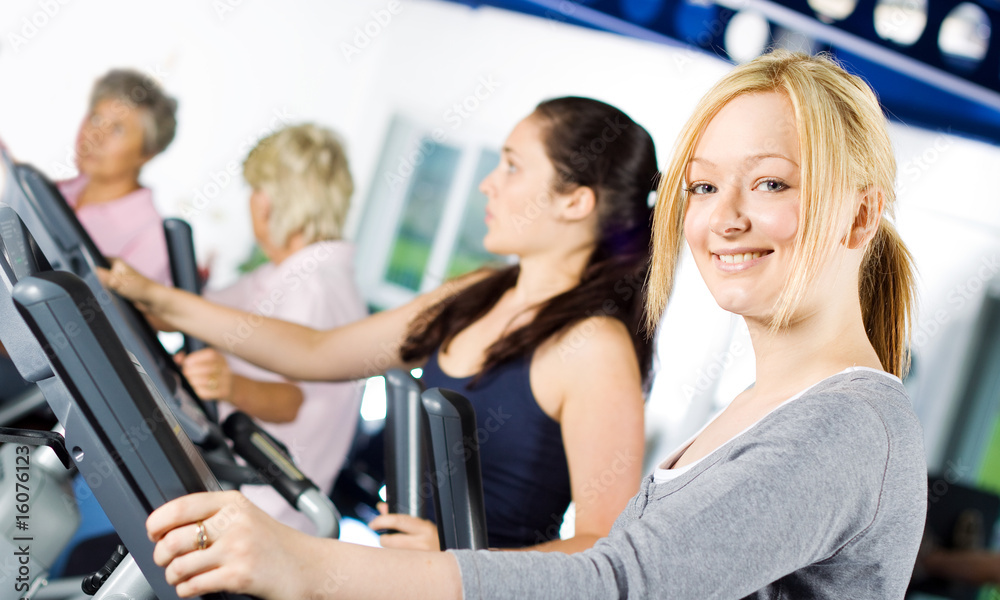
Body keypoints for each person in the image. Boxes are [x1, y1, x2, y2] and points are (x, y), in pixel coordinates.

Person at [135, 50, 929, 600]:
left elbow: (607, 585)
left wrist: (307, 565)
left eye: (771, 184)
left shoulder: (845, 427)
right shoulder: (769, 409)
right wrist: (163, 303)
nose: (725, 219)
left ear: (859, 214)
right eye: (705, 188)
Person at [105, 96, 655, 570]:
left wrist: (460, 562)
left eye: (511, 167)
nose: (488, 183)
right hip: (409, 595)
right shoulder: (478, 293)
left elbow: (605, 552)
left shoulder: (594, 347)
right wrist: (162, 302)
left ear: (575, 201)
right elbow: (313, 351)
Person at [180, 123, 368, 534]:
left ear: (265, 202)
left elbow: (290, 400)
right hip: (240, 496)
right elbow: (198, 310)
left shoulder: (314, 288)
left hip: (262, 514)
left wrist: (229, 384)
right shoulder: (288, 274)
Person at [59, 68, 177, 284]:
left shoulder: (150, 238)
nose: (96, 136)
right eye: (96, 119)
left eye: (118, 130)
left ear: (147, 153)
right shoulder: (56, 190)